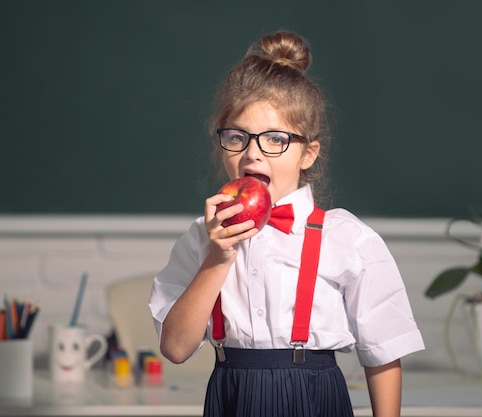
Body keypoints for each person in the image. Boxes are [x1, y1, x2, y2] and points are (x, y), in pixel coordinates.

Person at [149, 30, 424, 417]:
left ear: (308, 153)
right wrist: (217, 257)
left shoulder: (347, 237)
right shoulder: (201, 237)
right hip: (232, 396)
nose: (252, 154)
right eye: (237, 137)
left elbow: (383, 350)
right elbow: (175, 349)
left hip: (314, 397)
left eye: (275, 139)